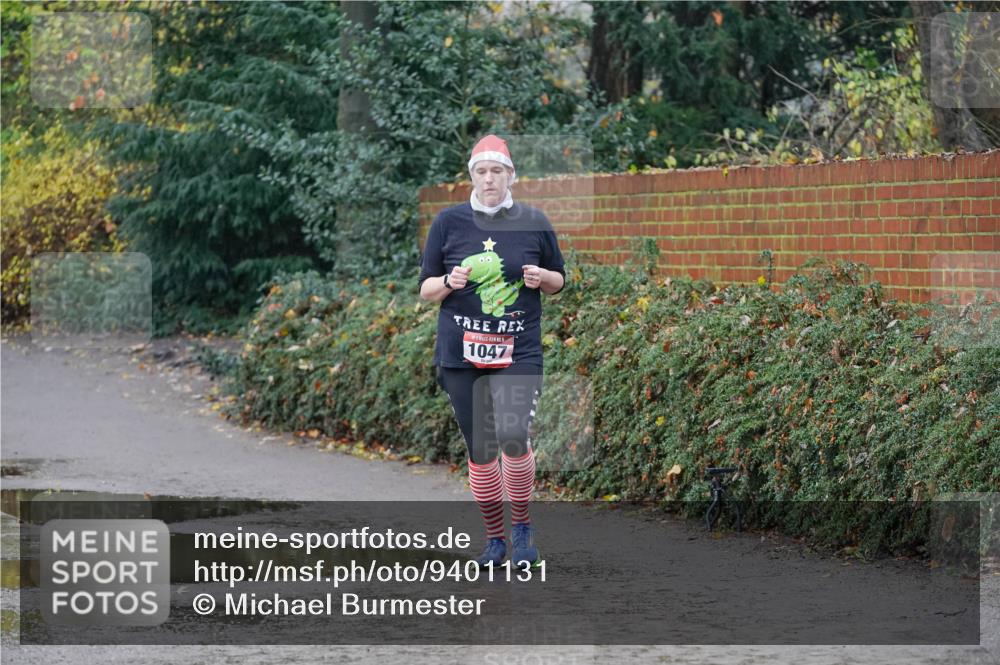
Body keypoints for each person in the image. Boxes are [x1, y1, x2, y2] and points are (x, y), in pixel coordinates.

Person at [418, 135, 566, 568]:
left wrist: (543, 277)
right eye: (481, 171)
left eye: (496, 171)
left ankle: (522, 530)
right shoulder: (448, 223)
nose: (488, 179)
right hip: (461, 354)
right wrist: (449, 283)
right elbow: (426, 289)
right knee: (481, 449)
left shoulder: (534, 221)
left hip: (517, 351)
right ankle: (495, 540)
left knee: (513, 438)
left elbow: (561, 279)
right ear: (471, 177)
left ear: (510, 176)